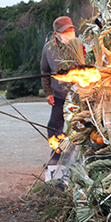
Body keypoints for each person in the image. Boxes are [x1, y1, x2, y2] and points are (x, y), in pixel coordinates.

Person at [41, 16, 77, 165]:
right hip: (59, 95)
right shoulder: (49, 49)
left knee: (77, 126)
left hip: (78, 95)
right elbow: (44, 71)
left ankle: (77, 157)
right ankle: (56, 155)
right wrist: (48, 92)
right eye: (65, 31)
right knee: (54, 125)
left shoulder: (80, 46)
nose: (69, 33)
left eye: (71, 30)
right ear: (56, 33)